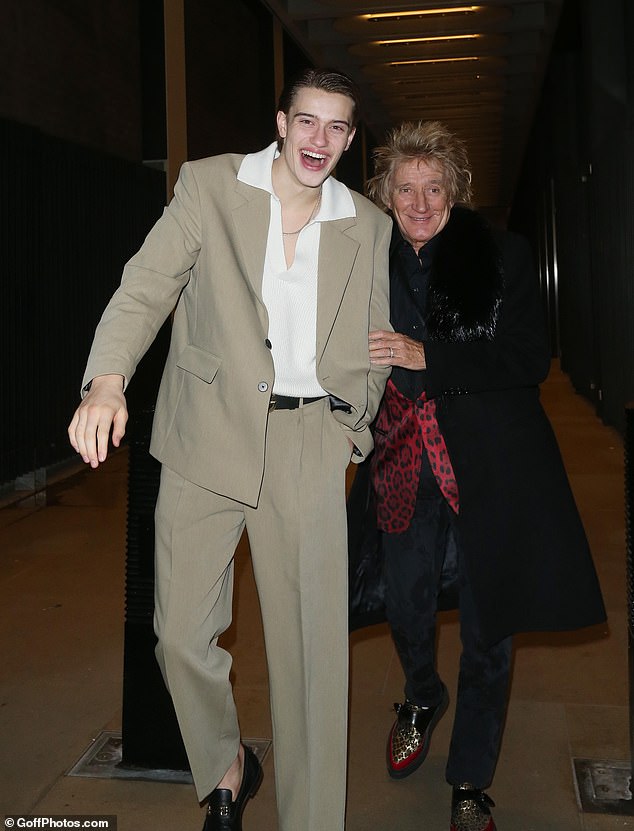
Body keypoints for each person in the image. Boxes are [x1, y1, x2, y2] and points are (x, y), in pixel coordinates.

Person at [68, 68, 392, 831]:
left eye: (337, 128)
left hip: (311, 437)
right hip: (207, 431)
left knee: (312, 662)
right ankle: (227, 764)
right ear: (281, 122)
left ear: (349, 139)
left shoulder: (366, 225)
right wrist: (107, 380)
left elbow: (375, 340)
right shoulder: (211, 187)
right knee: (179, 634)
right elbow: (147, 283)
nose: (320, 141)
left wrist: (353, 425)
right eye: (307, 122)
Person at [361, 120, 606, 831]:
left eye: (433, 186)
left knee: (489, 628)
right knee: (404, 604)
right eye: (405, 187)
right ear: (386, 193)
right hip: (402, 457)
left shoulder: (501, 255)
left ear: (455, 190)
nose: (419, 200)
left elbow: (527, 359)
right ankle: (420, 694)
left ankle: (470, 776)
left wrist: (426, 354)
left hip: (491, 465)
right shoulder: (367, 261)